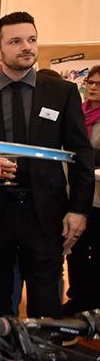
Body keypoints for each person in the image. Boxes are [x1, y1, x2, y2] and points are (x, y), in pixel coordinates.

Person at [0, 12, 95, 319]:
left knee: (46, 301)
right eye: (15, 41)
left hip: (46, 212)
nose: (26, 47)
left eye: (31, 39)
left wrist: (79, 208)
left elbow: (81, 153)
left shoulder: (62, 92)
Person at [64, 65, 100, 314]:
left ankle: (93, 303)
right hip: (75, 194)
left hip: (99, 198)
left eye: (99, 84)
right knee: (73, 251)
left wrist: (85, 154)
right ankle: (76, 300)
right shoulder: (77, 112)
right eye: (91, 82)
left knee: (96, 254)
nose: (93, 87)